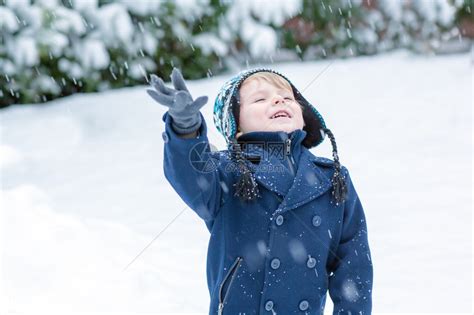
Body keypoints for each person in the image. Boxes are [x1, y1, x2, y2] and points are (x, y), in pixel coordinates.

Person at [147, 67, 373, 314]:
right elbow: (189, 176)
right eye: (260, 99)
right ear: (236, 125)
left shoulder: (332, 178)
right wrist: (186, 129)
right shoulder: (226, 170)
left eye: (287, 98)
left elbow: (353, 264)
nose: (278, 100)